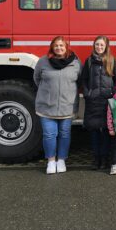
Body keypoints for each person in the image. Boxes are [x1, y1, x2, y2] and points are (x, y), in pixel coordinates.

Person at [34, 36, 81, 175]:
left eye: (61, 45)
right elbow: (37, 79)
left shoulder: (75, 63)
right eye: (56, 46)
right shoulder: (43, 61)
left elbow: (79, 80)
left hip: (67, 106)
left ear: (66, 47)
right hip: (47, 106)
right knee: (49, 134)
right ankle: (51, 161)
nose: (59, 48)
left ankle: (61, 160)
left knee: (64, 134)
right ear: (52, 47)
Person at [80, 36, 116, 170]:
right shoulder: (89, 61)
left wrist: (113, 95)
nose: (99, 47)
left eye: (102, 45)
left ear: (106, 46)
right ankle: (96, 160)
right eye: (97, 45)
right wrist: (87, 94)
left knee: (106, 133)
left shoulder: (112, 60)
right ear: (94, 46)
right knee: (94, 132)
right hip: (93, 101)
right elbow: (84, 80)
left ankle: (105, 159)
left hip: (107, 102)